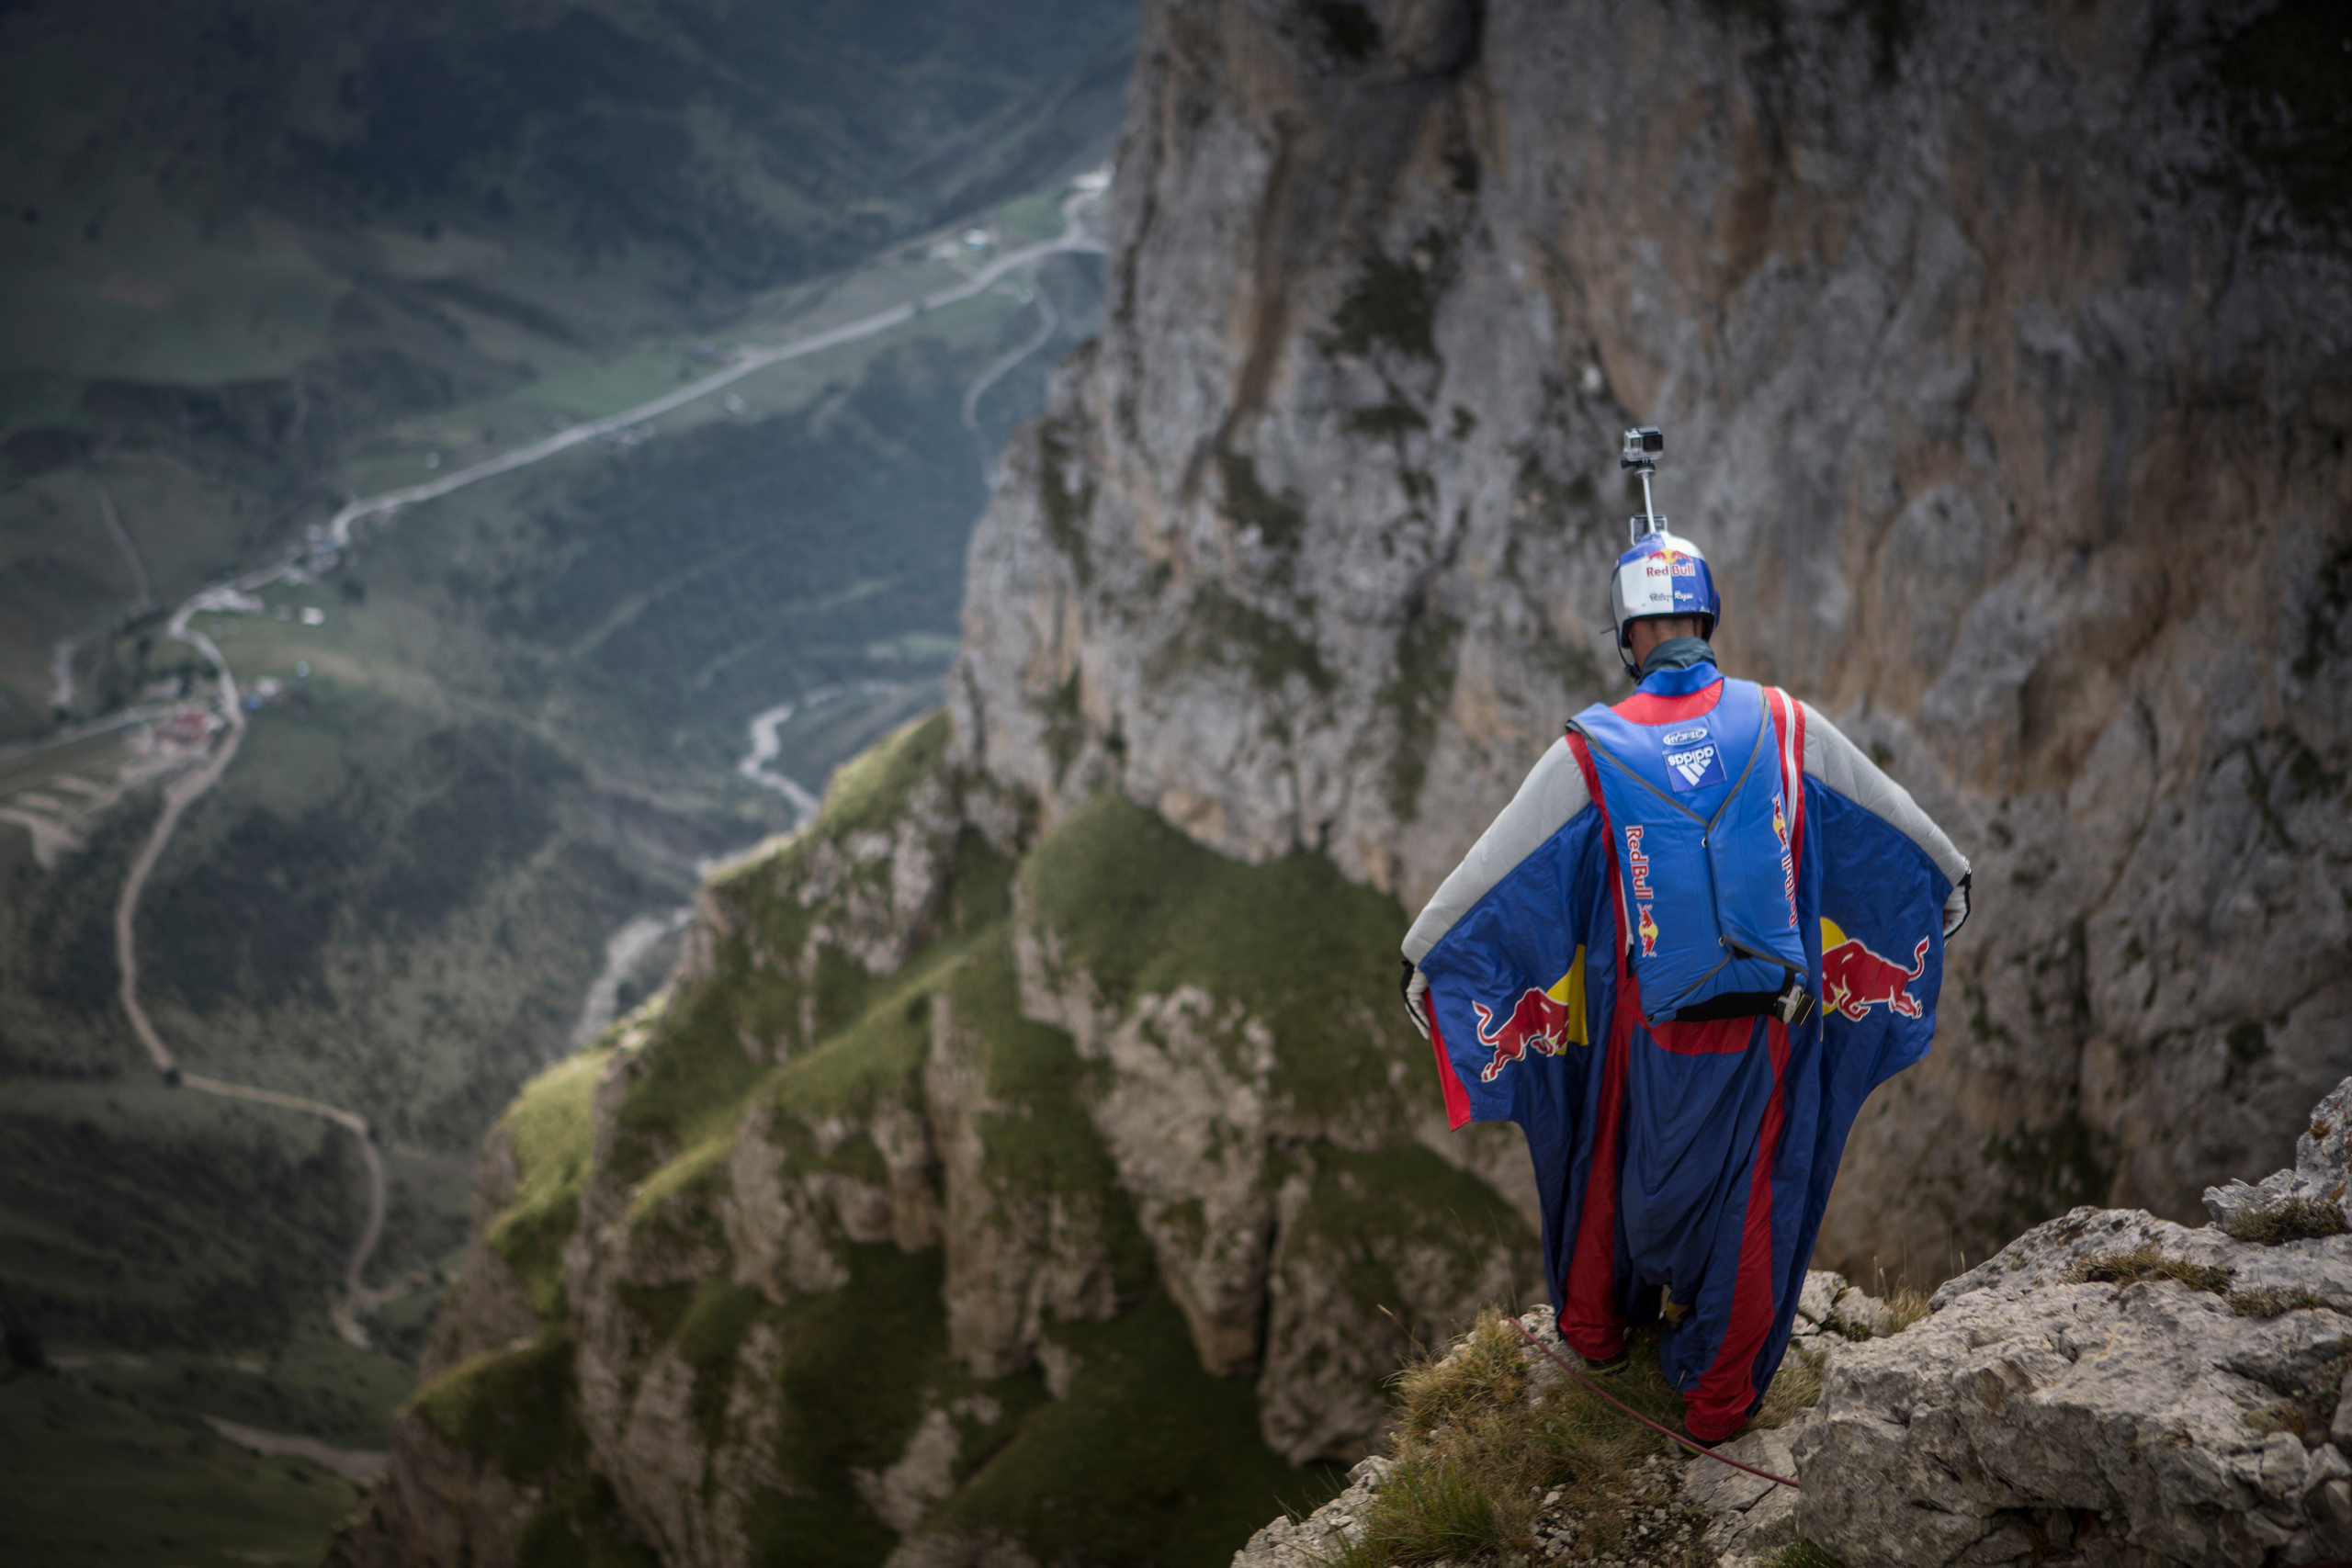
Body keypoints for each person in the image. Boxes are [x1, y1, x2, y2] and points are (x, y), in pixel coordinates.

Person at [1398, 518, 1971, 1445]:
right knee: (1758, 1198)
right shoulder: (1787, 721)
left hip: (1648, 1024)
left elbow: (1491, 874)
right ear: (1705, 619)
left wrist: (1426, 962)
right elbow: (1905, 832)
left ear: (1628, 636)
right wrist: (1941, 896)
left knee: (1606, 1161)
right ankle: (1714, 1400)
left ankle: (1593, 1329)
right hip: (1767, 1027)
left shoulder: (1592, 747)